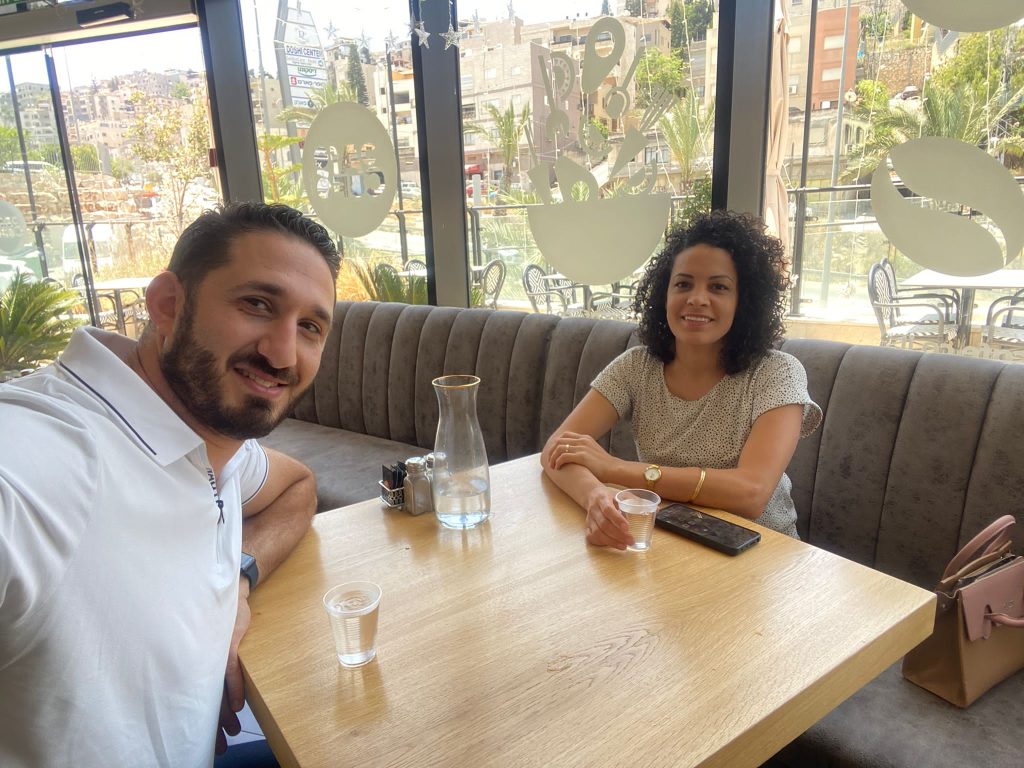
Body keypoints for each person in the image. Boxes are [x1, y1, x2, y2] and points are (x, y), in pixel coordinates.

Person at [0, 202, 340, 767]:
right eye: (257, 304)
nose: (283, 353)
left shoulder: (211, 446)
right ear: (167, 304)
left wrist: (237, 582)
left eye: (310, 327)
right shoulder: (43, 460)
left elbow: (297, 488)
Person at [542, 210, 821, 548]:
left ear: (744, 301)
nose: (697, 298)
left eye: (718, 287)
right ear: (664, 295)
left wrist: (613, 469)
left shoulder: (777, 373)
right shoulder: (636, 367)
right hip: (671, 541)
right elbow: (556, 450)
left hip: (763, 552)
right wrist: (596, 497)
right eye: (683, 284)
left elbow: (751, 493)